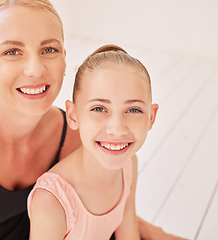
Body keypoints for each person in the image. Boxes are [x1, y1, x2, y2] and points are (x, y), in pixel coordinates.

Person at [0, 0, 187, 239]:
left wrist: (157, 233)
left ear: (64, 60)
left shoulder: (77, 134)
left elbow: (109, 207)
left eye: (49, 49)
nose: (35, 69)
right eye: (13, 51)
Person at [28, 44, 158, 239]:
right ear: (73, 116)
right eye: (99, 109)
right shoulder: (51, 200)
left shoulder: (128, 164)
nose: (117, 128)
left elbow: (128, 233)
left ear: (151, 117)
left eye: (133, 110)